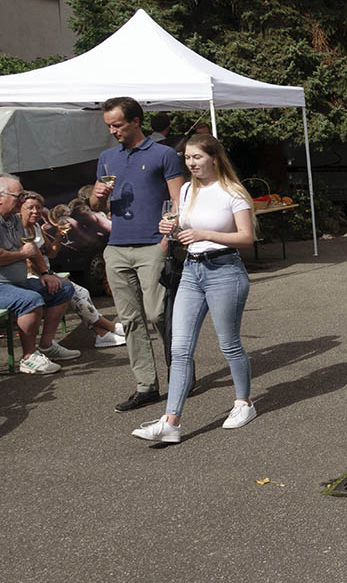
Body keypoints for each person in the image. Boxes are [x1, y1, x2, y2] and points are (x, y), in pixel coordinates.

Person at [132, 134, 257, 444]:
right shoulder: (187, 189)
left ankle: (244, 403)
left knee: (228, 344)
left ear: (214, 158)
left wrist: (205, 233)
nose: (191, 163)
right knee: (179, 349)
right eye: (187, 158)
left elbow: (246, 239)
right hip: (191, 270)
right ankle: (171, 421)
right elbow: (184, 229)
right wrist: (172, 230)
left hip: (225, 270)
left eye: (197, 157)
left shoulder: (233, 192)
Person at [93, 97, 185, 411]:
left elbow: (178, 201)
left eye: (117, 125)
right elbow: (98, 207)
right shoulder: (107, 158)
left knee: (158, 314)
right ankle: (146, 386)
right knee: (130, 320)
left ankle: (181, 371)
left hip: (152, 246)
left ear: (135, 121)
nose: (112, 131)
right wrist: (97, 197)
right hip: (117, 248)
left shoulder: (165, 154)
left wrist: (166, 241)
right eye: (109, 126)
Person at [20, 193, 124, 348]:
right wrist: (48, 275)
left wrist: (59, 236)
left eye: (38, 208)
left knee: (82, 292)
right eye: (30, 208)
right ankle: (109, 327)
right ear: (20, 209)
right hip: (31, 276)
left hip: (45, 273)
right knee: (74, 292)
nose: (35, 211)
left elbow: (51, 252)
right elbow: (27, 262)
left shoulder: (36, 227)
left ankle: (102, 334)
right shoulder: (18, 229)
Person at [0, 175, 80, 373]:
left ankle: (46, 345)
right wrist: (22, 254)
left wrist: (46, 272)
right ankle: (28, 357)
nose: (22, 199)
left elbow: (32, 249)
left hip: (16, 282)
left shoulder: (14, 219)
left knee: (63, 287)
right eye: (18, 196)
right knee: (30, 299)